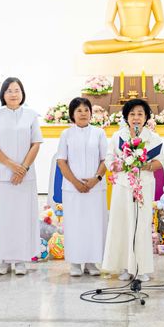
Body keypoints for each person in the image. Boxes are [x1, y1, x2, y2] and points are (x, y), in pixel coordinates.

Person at [0, 77, 43, 276]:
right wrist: (11, 165)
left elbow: (36, 143)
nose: (13, 94)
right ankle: (3, 259)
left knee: (22, 217)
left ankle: (20, 260)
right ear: (3, 94)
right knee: (2, 218)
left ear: (22, 93)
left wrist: (23, 168)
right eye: (9, 90)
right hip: (2, 176)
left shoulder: (30, 115)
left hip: (25, 177)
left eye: (17, 90)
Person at [101, 99, 161, 282]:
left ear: (146, 117)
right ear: (126, 117)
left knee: (141, 225)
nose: (136, 118)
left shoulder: (153, 138)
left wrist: (145, 165)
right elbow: (108, 160)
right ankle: (125, 267)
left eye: (140, 114)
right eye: (132, 114)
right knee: (123, 224)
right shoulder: (118, 137)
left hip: (143, 187)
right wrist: (122, 163)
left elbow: (159, 163)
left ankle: (141, 268)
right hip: (122, 186)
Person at [56, 97, 108, 277]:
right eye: (79, 110)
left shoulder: (99, 133)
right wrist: (76, 182)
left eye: (86, 110)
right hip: (72, 189)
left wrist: (96, 179)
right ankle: (76, 263)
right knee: (75, 224)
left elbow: (105, 159)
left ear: (91, 113)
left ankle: (92, 262)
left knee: (94, 224)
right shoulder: (66, 134)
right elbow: (61, 161)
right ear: (72, 114)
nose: (83, 113)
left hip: (96, 188)